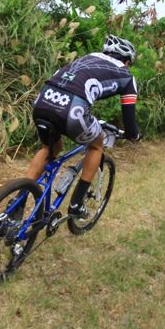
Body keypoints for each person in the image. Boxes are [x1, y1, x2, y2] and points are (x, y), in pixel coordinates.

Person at [25, 34, 142, 218]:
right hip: (73, 107)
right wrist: (133, 135)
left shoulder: (88, 57)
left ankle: (18, 200)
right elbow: (129, 121)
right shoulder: (127, 75)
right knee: (97, 144)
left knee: (50, 147)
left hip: (43, 98)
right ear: (127, 61)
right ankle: (76, 204)